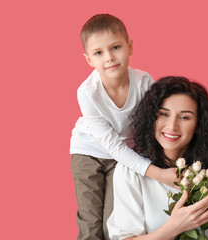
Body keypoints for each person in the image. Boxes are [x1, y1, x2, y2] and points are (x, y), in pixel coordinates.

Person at [107, 76, 208, 239]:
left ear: (198, 125)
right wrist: (174, 227)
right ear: (152, 119)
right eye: (163, 114)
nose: (172, 126)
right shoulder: (130, 172)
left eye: (185, 117)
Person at [70, 14, 177, 240]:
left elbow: (154, 125)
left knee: (116, 224)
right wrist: (158, 174)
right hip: (88, 153)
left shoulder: (144, 82)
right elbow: (110, 144)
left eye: (115, 47)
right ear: (89, 59)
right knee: (91, 224)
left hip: (123, 157)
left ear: (129, 47)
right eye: (99, 53)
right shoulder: (87, 93)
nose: (109, 58)